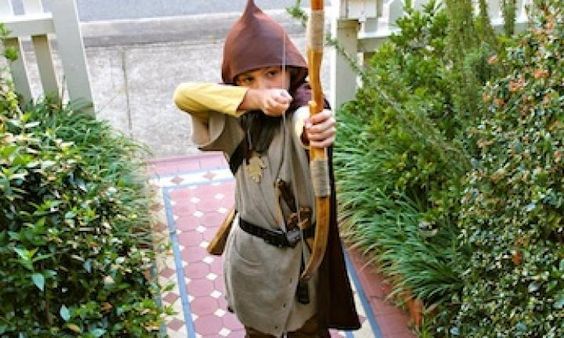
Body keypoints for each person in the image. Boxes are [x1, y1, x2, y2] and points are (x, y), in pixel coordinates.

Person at [173, 1, 360, 337]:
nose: (264, 85)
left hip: (302, 265)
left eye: (272, 73)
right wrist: (255, 100)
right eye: (249, 78)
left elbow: (308, 121)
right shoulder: (234, 120)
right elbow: (183, 95)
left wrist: (317, 128)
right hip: (253, 264)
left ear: (291, 71)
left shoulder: (303, 107)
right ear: (236, 83)